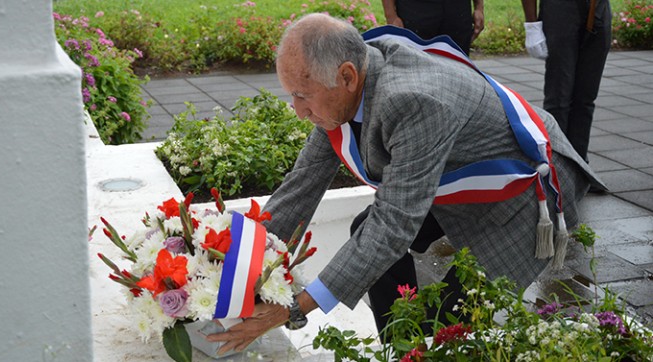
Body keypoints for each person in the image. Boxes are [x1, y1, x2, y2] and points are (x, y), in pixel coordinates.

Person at [207, 13, 605, 354]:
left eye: (301, 96)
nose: (297, 112)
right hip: (459, 175)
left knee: (458, 310)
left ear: (346, 76)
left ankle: (435, 351)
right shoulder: (349, 80)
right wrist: (231, 264)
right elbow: (302, 185)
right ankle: (405, 351)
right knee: (366, 236)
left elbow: (393, 225)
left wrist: (295, 307)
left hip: (522, 193)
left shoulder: (413, 101)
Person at [521, 0, 612, 165]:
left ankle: (579, 167)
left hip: (598, 7)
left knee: (586, 97)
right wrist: (532, 24)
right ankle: (557, 168)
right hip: (561, 9)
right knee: (559, 97)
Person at [381, 0, 485, 54]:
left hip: (457, 12)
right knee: (414, 73)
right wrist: (391, 15)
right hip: (415, 11)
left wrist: (479, 7)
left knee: (460, 75)